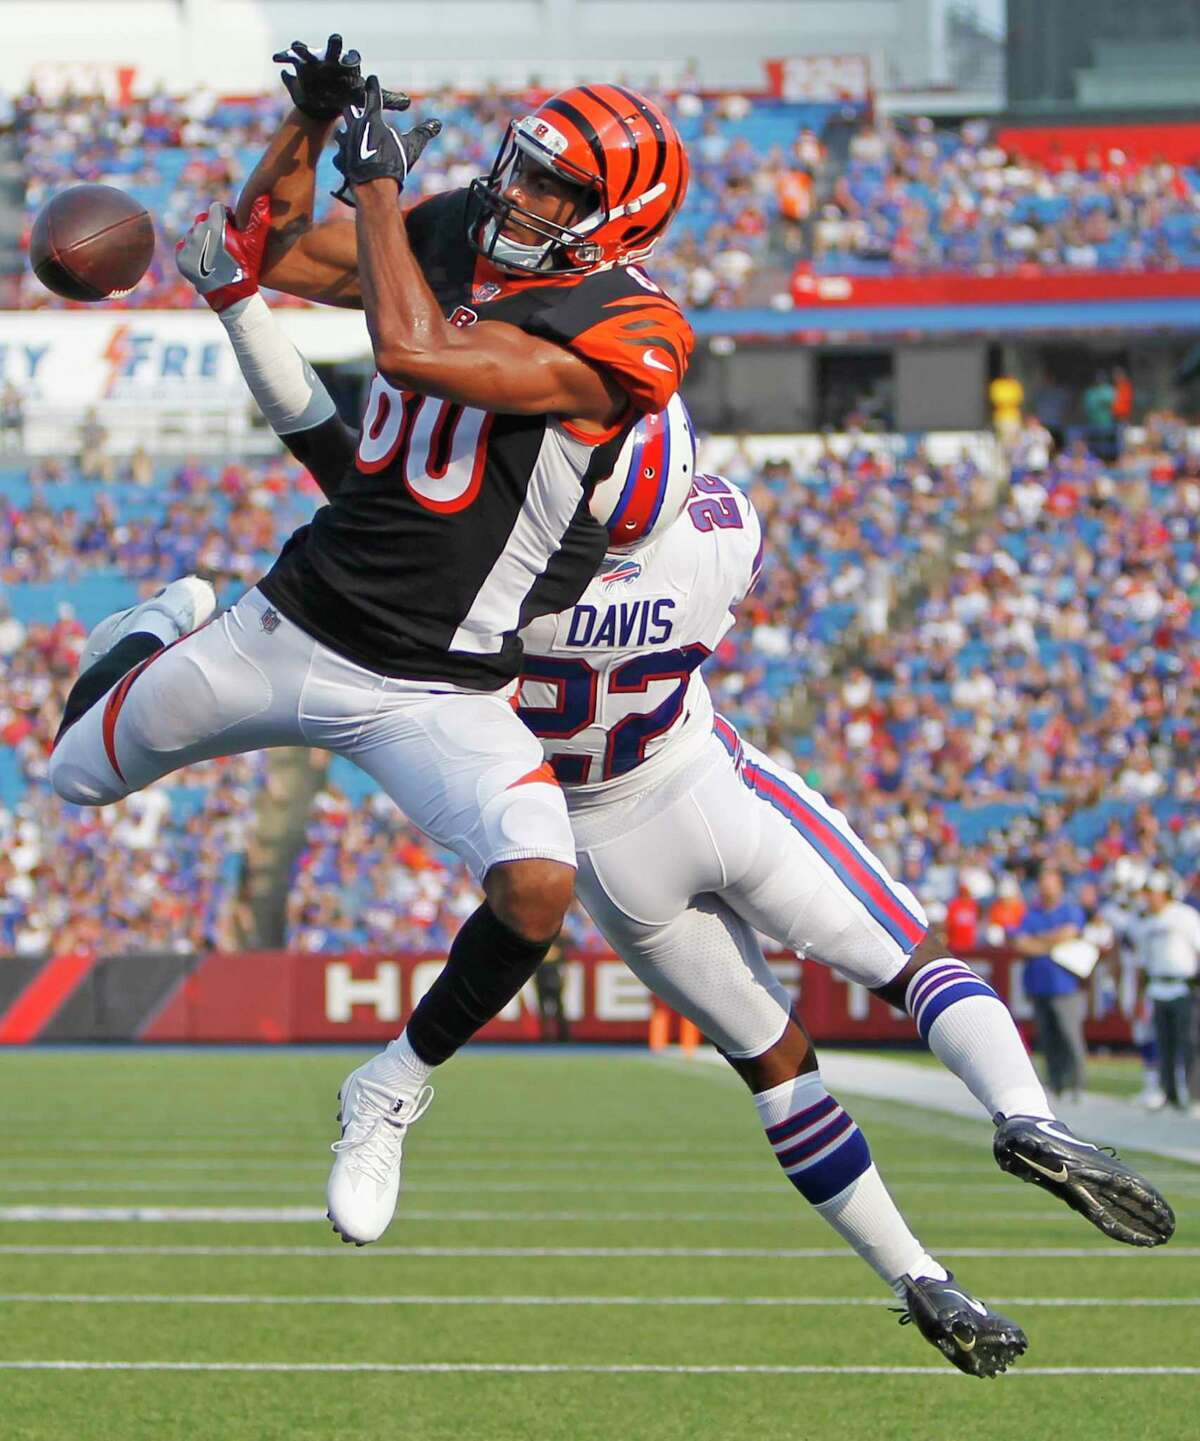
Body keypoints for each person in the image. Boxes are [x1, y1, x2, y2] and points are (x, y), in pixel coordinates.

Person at [200, 269, 1173, 1377]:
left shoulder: (498, 574)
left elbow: (324, 442)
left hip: (603, 844)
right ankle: (1022, 1110)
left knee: (777, 1067)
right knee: (911, 964)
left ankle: (920, 1275)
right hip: (706, 781)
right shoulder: (725, 536)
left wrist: (242, 304)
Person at [48, 35, 693, 1250]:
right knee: (70, 773)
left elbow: (420, 350)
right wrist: (306, 123)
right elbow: (270, 245)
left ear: (622, 220)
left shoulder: (633, 326)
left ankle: (386, 1088)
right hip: (295, 619)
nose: (519, 196)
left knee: (539, 885)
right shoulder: (449, 229)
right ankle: (165, 620)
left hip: (440, 685)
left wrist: (385, 185)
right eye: (521, 167)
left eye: (557, 189)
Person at [1012, 867, 1088, 1101]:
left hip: (1065, 985)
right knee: (1047, 1037)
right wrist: (1051, 941)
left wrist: (1039, 942)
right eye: (1043, 884)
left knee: (1070, 1036)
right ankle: (1056, 1084)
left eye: (1050, 883)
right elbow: (1021, 944)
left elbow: (1070, 933)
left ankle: (1077, 1085)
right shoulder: (1032, 913)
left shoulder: (1069, 910)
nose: (1045, 888)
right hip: (1038, 984)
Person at [1133, 872, 1200, 1111]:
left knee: (1190, 1042)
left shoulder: (1186, 917)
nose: (1149, 898)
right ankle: (1169, 1093)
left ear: (1166, 893)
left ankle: (1193, 1096)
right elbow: (1142, 964)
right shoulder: (1145, 922)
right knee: (1164, 1044)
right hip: (1157, 987)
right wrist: (1139, 996)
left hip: (1184, 985)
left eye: (1153, 893)